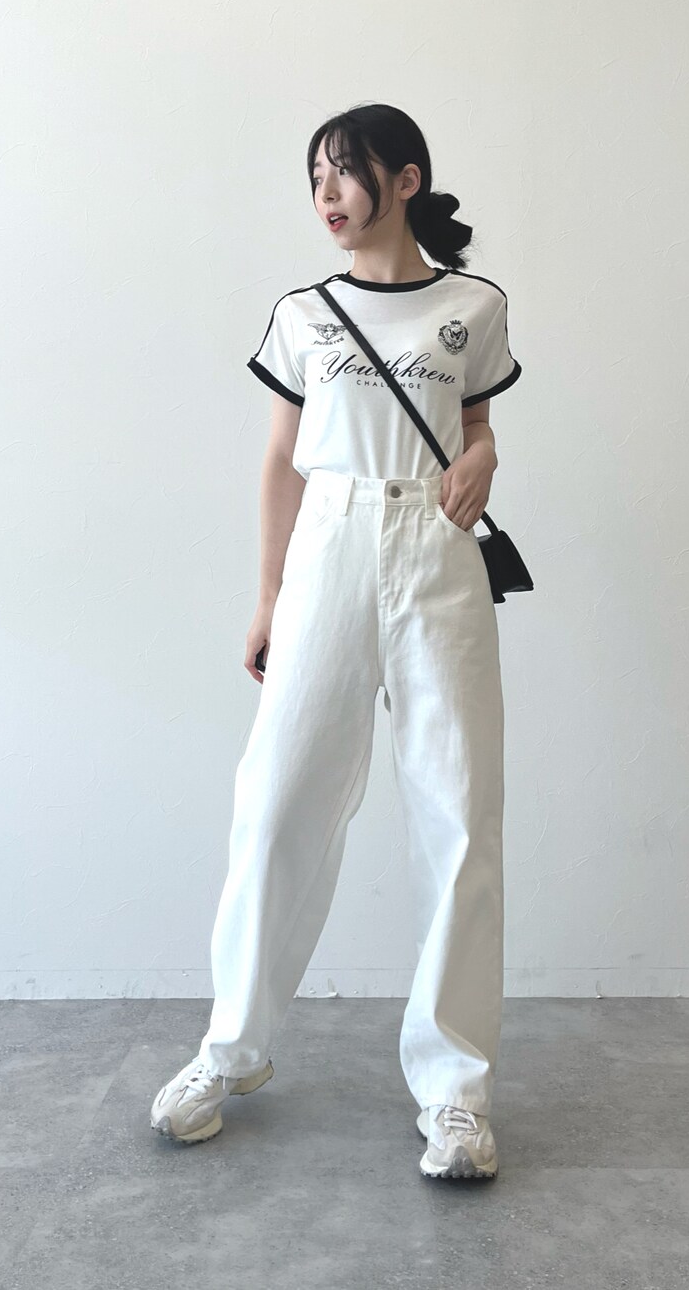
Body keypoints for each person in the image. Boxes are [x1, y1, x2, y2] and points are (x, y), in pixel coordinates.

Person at [151, 103, 521, 1180]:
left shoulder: (473, 306)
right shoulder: (304, 314)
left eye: (347, 170)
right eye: (316, 173)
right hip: (329, 544)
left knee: (458, 814)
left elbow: (477, 427)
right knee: (275, 803)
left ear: (405, 180)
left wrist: (485, 455)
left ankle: (455, 1093)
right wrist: (268, 596)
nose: (326, 192)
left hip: (437, 552)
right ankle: (229, 1049)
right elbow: (280, 460)